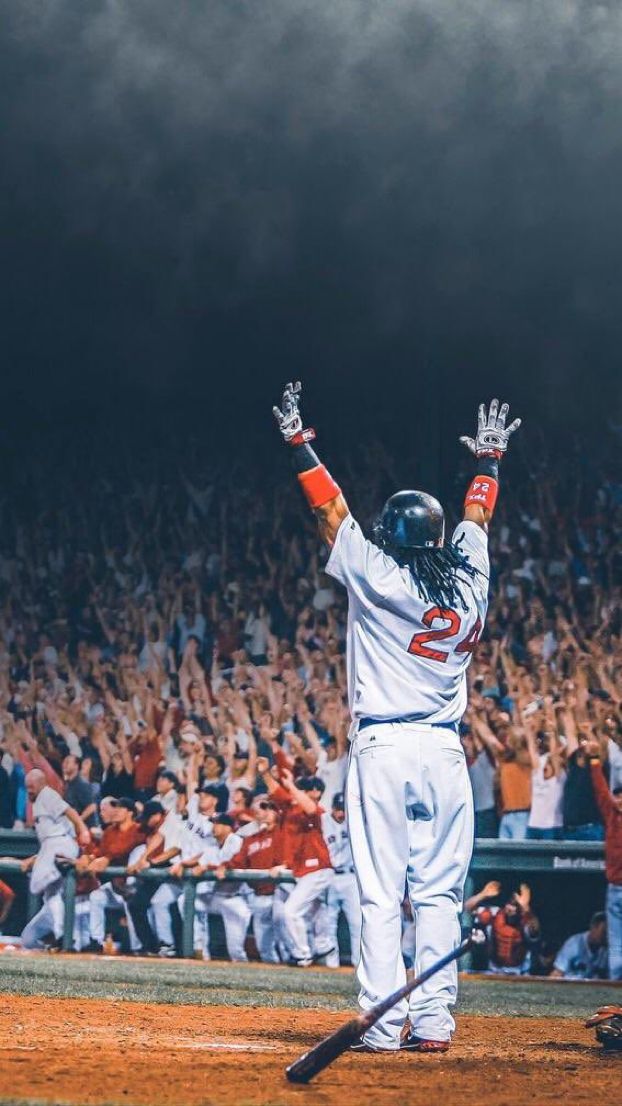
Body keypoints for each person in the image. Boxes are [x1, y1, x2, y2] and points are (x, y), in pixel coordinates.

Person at [273, 383, 520, 1050]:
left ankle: (380, 1024)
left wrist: (301, 446)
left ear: (393, 535)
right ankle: (434, 1020)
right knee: (439, 893)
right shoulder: (468, 576)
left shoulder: (377, 574)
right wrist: (490, 459)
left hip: (384, 745)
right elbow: (478, 516)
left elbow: (330, 511)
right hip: (446, 751)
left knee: (381, 892)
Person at [259, 758, 334, 967]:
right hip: (305, 870)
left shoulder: (317, 809)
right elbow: (276, 791)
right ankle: (323, 945)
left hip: (318, 868)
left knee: (291, 911)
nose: (295, 793)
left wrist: (292, 785)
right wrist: (265, 774)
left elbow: (310, 808)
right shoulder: (291, 809)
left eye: (303, 790)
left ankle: (302, 954)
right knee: (314, 908)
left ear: (315, 792)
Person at [20, 768, 91, 949]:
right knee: (50, 893)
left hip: (60, 844)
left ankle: (64, 933)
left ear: (41, 784)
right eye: (27, 787)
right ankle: (63, 934)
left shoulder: (47, 794)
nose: (29, 790)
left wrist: (83, 830)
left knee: (38, 884)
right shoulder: (37, 801)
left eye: (32, 786)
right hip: (53, 845)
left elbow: (71, 812)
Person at [226, 796, 284, 963]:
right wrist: (224, 865)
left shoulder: (285, 833)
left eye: (269, 809)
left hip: (283, 893)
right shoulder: (252, 839)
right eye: (261, 810)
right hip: (260, 894)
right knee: (264, 946)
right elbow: (238, 861)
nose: (265, 813)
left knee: (288, 940)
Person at [585, 737, 622, 980]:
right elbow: (600, 791)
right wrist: (594, 760)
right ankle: (616, 985)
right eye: (617, 796)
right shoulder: (612, 814)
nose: (618, 800)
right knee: (617, 943)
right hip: (614, 888)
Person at [322, 792, 361, 968]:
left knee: (357, 922)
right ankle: (332, 965)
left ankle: (358, 963)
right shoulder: (323, 821)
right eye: (338, 809)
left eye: (343, 809)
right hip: (330, 876)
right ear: (332, 808)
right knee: (328, 922)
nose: (341, 814)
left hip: (350, 876)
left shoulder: (355, 821)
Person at [551, 912, 608, 980]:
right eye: (604, 932)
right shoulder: (573, 944)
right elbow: (557, 974)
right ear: (593, 927)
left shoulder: (609, 950)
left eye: (609, 933)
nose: (607, 936)